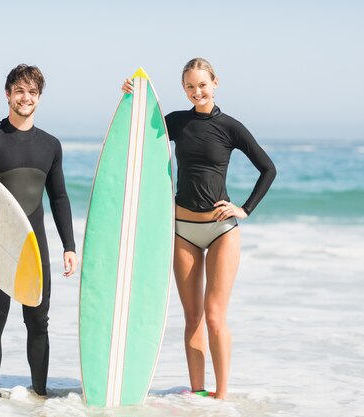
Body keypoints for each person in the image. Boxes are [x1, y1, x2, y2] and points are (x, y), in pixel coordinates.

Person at [122, 58, 276, 399]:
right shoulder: (177, 122)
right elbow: (136, 136)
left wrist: (244, 208)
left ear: (215, 82)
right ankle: (197, 394)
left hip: (221, 231)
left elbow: (268, 169)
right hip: (182, 231)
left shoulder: (231, 127)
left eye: (202, 84)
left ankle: (221, 396)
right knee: (192, 317)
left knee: (215, 316)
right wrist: (131, 98)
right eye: (190, 87)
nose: (197, 92)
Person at [0, 64, 77, 398]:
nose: (25, 98)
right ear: (8, 94)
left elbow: (59, 196)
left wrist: (69, 246)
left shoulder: (50, 145)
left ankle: (40, 397)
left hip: (34, 249)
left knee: (39, 323)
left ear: (39, 98)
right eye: (19, 91)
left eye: (32, 92)